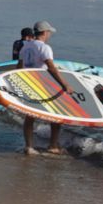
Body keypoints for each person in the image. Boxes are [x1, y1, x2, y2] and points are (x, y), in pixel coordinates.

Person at [19, 21, 73, 156]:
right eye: (49, 32)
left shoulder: (25, 47)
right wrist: (65, 84)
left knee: (30, 116)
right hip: (42, 85)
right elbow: (51, 68)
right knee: (56, 116)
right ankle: (53, 146)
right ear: (44, 32)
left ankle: (29, 147)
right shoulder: (45, 48)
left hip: (28, 82)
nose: (50, 35)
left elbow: (19, 68)